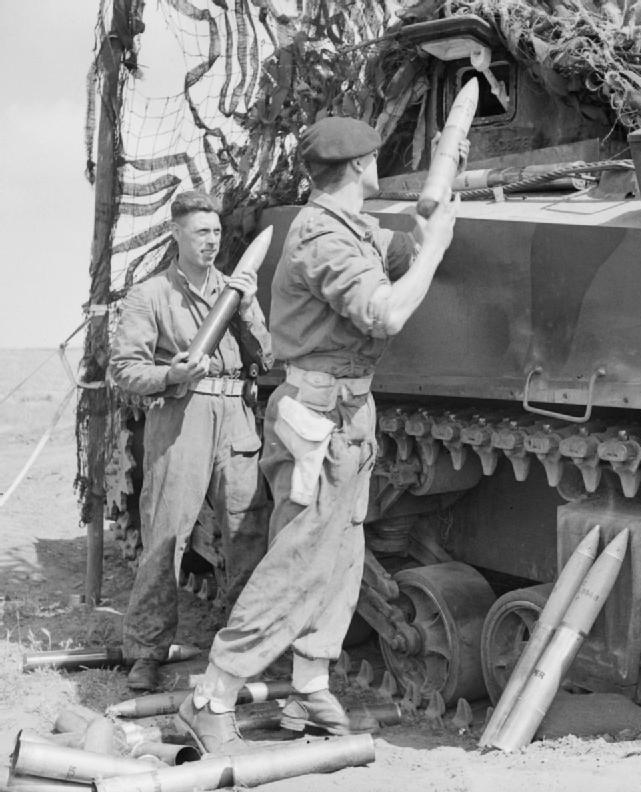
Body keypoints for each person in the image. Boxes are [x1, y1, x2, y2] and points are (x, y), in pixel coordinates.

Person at [176, 116, 462, 752]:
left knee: (341, 555)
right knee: (300, 559)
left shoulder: (346, 226)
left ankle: (309, 691)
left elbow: (390, 250)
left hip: (347, 415)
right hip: (318, 416)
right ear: (361, 167)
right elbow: (384, 313)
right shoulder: (319, 238)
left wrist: (428, 223)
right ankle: (212, 695)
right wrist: (436, 249)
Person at [110, 190, 273, 692]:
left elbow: (266, 357)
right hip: (182, 414)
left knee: (248, 531)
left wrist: (245, 307)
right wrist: (168, 373)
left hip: (237, 416)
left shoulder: (235, 288)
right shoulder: (151, 294)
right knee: (166, 533)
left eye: (217, 232)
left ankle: (246, 651)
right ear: (176, 233)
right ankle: (146, 652)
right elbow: (124, 369)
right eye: (201, 232)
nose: (212, 241)